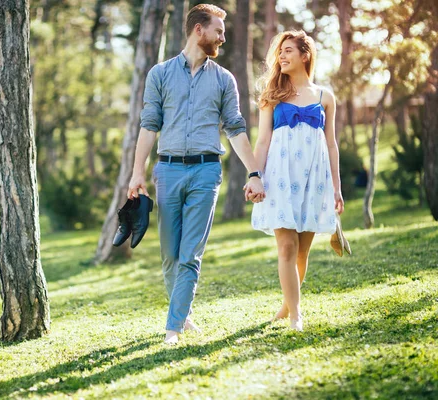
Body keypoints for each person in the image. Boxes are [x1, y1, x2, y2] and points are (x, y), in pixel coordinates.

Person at [127, 4, 265, 345]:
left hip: (206, 171)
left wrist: (254, 172)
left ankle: (172, 328)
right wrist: (136, 175)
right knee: (169, 254)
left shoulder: (224, 80)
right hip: (168, 171)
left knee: (190, 254)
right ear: (198, 30)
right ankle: (184, 314)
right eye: (218, 30)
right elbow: (148, 126)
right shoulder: (159, 74)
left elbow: (235, 129)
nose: (223, 36)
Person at [250, 30, 344, 331]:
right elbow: (262, 141)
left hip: (314, 180)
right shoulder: (272, 94)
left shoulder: (324, 97)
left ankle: (286, 305)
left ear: (306, 55)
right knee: (287, 248)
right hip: (279, 177)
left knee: (302, 252)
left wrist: (337, 188)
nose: (282, 56)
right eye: (280, 51)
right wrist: (255, 177)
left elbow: (331, 145)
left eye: (288, 50)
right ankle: (296, 315)